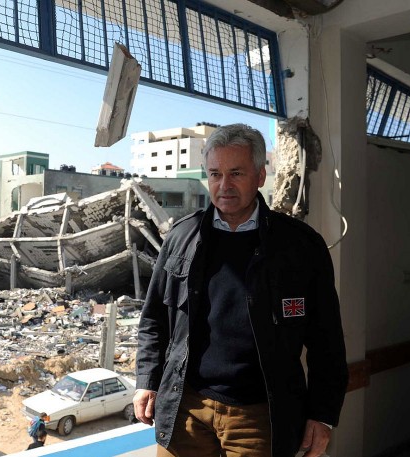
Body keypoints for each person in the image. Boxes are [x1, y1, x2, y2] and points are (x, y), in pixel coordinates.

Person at [133, 123, 348, 457]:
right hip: (186, 406)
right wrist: (147, 379)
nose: (224, 186)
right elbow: (154, 319)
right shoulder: (180, 238)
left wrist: (323, 413)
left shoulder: (300, 246)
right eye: (215, 174)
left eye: (236, 173)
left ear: (261, 176)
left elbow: (327, 339)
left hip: (260, 416)